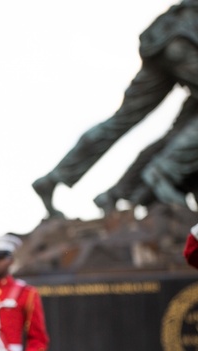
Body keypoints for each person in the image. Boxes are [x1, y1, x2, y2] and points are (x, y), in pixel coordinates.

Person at [33, 0, 198, 218]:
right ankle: (162, 174)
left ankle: (55, 178)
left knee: (121, 120)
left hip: (167, 35)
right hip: (186, 38)